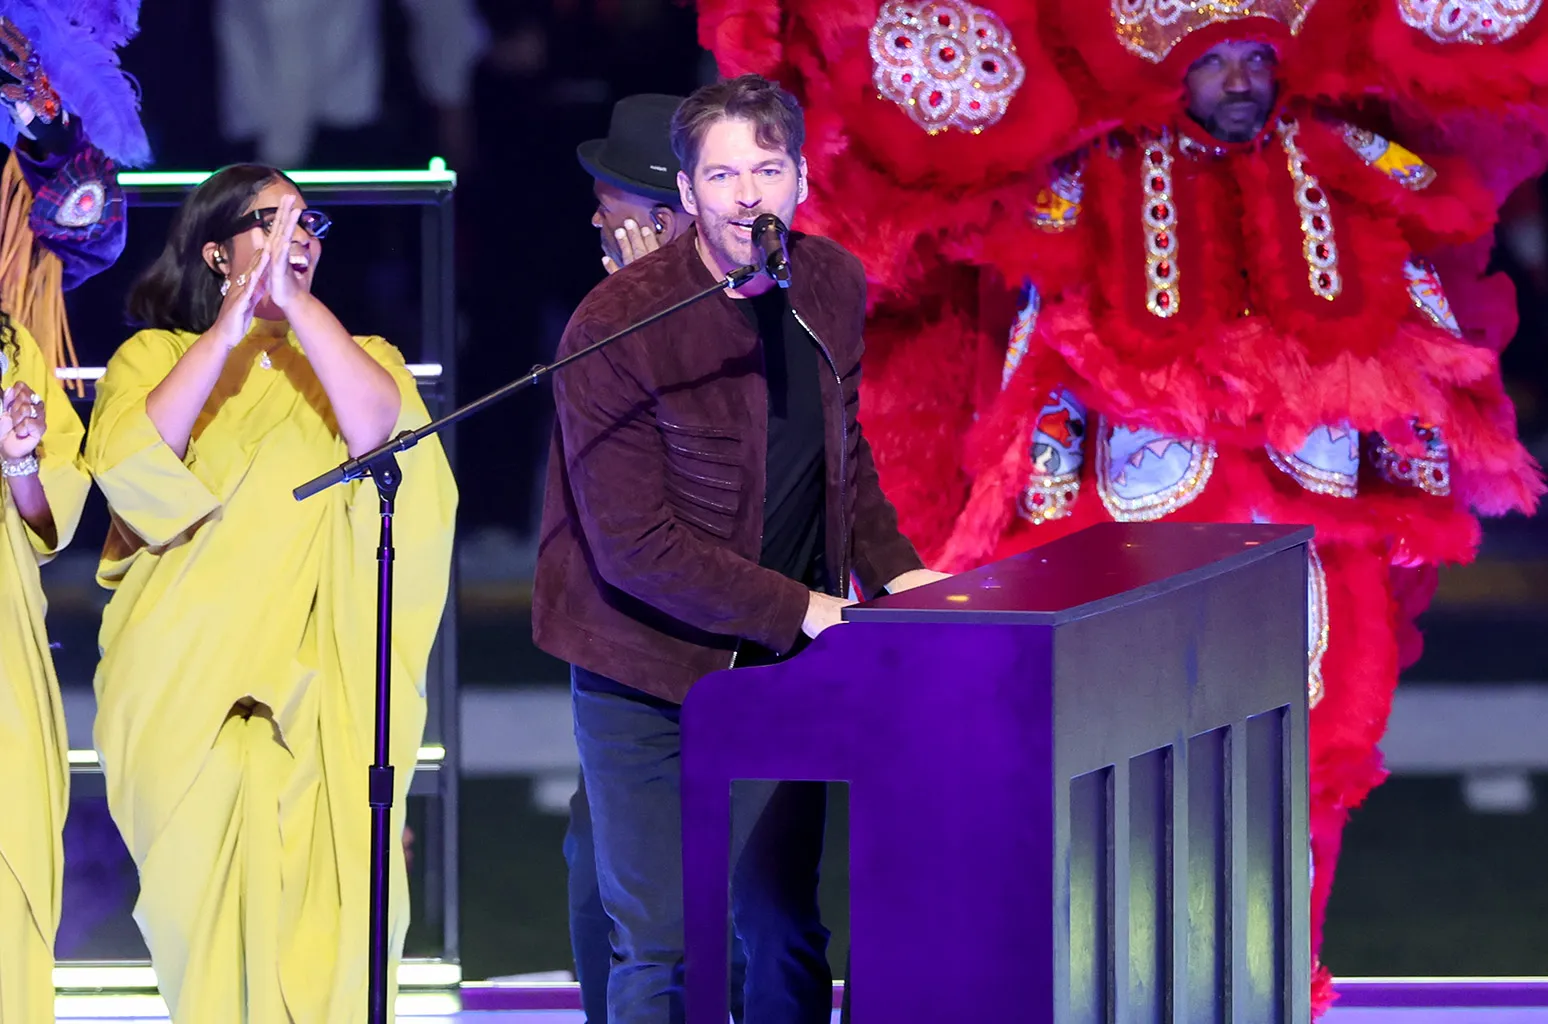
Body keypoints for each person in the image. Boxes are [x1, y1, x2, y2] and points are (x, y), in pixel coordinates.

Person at [695, 1, 1545, 1015]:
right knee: (1118, 770)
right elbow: (1041, 355)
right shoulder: (1091, 179)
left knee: (1306, 765)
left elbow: (1422, 330)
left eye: (1254, 60)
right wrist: (1025, 510)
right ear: (1165, 71)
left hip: (1310, 537)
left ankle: (1273, 983)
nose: (1238, 79)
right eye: (1212, 61)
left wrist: (1422, 482)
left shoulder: (1353, 161)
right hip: (1129, 533)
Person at [533, 73, 947, 1024]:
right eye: (723, 176)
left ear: (799, 179)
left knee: (781, 920)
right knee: (662, 946)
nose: (747, 195)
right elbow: (634, 545)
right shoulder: (613, 325)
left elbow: (843, 450)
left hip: (776, 664)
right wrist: (804, 608)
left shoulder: (834, 284)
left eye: (767, 169)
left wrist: (898, 570)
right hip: (642, 669)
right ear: (687, 194)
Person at [86, 164, 457, 1022]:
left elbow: (381, 434)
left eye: (309, 224)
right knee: (208, 930)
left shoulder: (361, 360)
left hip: (319, 693)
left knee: (331, 921)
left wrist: (295, 312)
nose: (297, 238)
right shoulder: (156, 357)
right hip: (183, 693)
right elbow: (132, 467)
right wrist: (229, 330)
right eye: (270, 223)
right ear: (216, 252)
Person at [567, 90, 757, 1024]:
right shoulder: (606, 319)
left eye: (609, 198)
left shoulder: (752, 319)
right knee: (594, 874)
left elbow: (714, 482)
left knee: (692, 927)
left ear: (665, 216)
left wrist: (664, 314)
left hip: (721, 654)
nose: (595, 217)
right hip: (619, 656)